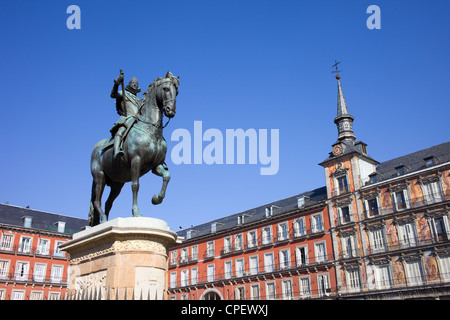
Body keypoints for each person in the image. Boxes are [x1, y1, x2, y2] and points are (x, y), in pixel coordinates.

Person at [110, 71, 143, 159]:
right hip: (127, 118)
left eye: (136, 84)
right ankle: (116, 151)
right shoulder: (124, 93)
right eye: (133, 83)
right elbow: (113, 95)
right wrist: (117, 83)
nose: (134, 85)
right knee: (121, 131)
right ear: (129, 84)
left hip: (139, 120)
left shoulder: (140, 100)